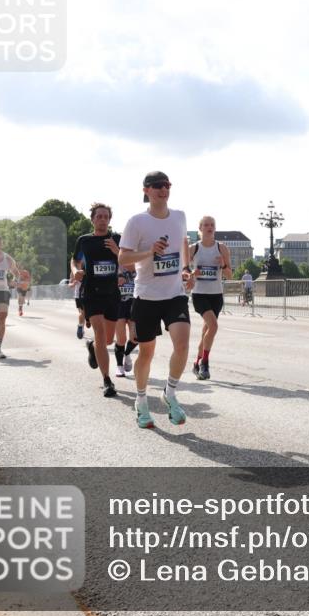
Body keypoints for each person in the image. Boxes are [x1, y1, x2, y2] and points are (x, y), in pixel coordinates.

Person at [118, 170, 192, 429]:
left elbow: (183, 242)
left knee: (182, 344)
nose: (163, 189)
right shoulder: (137, 222)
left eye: (167, 185)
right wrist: (150, 252)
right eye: (157, 185)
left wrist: (186, 268)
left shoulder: (180, 216)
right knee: (147, 353)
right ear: (146, 190)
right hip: (147, 296)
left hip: (174, 294)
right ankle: (141, 401)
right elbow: (123, 259)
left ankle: (169, 393)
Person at [73, 203, 123, 398]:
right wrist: (75, 271)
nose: (102, 219)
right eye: (99, 216)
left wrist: (117, 251)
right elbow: (74, 260)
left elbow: (128, 261)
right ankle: (107, 380)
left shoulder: (117, 238)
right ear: (92, 219)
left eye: (106, 216)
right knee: (101, 334)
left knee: (108, 339)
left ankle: (92, 346)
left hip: (112, 293)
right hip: (91, 293)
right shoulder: (84, 241)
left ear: (110, 220)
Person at [189, 215, 233, 380]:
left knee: (206, 331)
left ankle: (197, 362)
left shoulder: (222, 248)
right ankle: (205, 363)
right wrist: (192, 274)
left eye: (212, 225)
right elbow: (184, 272)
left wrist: (222, 264)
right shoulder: (193, 248)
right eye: (206, 225)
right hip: (200, 294)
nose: (209, 227)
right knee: (213, 326)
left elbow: (229, 275)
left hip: (216, 295)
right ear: (200, 228)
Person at [113, 263, 138, 378]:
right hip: (119, 305)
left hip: (134, 304)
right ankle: (119, 366)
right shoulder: (115, 265)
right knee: (121, 339)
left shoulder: (138, 264)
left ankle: (126, 354)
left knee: (135, 337)